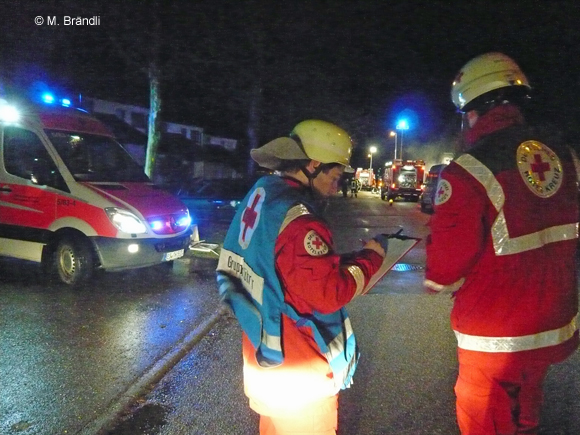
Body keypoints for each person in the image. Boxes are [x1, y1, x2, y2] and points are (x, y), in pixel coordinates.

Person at [424, 52, 579, 434]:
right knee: (527, 405)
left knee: (482, 412)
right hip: (554, 317)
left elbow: (446, 265)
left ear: (472, 111)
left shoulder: (469, 168)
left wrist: (434, 280)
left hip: (494, 332)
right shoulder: (566, 157)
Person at [216, 119, 388, 435]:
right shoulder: (301, 220)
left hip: (264, 357)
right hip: (300, 374)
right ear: (313, 164)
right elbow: (327, 294)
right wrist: (372, 258)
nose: (338, 185)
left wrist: (343, 260)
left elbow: (280, 267)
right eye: (335, 176)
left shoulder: (264, 193)